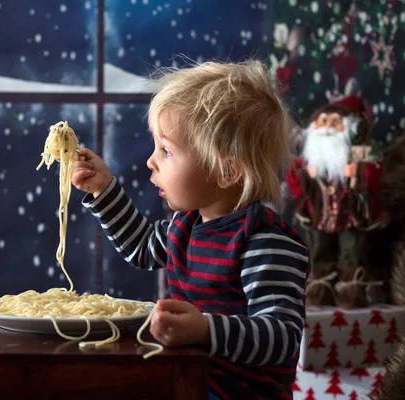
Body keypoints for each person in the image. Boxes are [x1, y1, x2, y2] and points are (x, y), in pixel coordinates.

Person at [72, 60, 310, 399]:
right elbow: (141, 246)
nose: (150, 162)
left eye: (167, 151)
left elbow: (281, 337)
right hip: (189, 383)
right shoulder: (185, 225)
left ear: (227, 172)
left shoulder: (265, 242)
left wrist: (205, 329)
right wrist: (103, 188)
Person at [284, 96, 385, 309]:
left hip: (351, 215)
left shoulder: (358, 153)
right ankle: (321, 286)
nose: (328, 127)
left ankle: (352, 287)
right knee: (319, 249)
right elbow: (293, 181)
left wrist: (357, 171)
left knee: (353, 248)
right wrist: (304, 175)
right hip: (320, 214)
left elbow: (373, 180)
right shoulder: (312, 157)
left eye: (335, 122)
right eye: (323, 121)